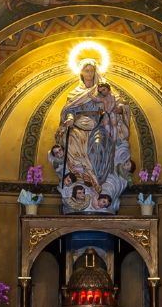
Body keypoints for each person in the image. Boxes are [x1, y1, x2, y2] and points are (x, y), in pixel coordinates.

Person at [48, 59, 135, 212]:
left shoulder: (102, 90)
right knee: (71, 139)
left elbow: (118, 104)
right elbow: (68, 111)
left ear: (95, 72)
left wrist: (119, 110)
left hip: (99, 124)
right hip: (78, 124)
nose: (89, 74)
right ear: (81, 72)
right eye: (86, 71)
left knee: (98, 144)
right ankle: (81, 177)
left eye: (91, 70)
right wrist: (69, 119)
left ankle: (97, 181)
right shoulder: (75, 93)